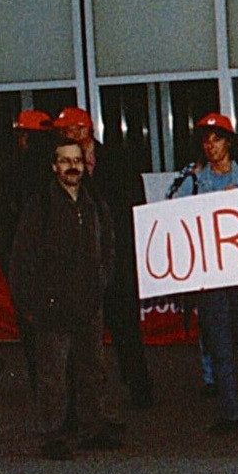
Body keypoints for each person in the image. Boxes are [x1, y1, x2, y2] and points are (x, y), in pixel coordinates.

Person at [7, 136, 125, 459]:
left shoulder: (95, 203)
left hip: (89, 304)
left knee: (92, 370)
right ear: (53, 166)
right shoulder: (40, 206)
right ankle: (52, 436)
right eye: (65, 160)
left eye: (76, 160)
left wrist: (101, 283)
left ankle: (92, 428)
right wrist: (32, 305)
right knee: (53, 376)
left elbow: (109, 248)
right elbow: (21, 260)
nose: (72, 166)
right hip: (52, 307)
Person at [171, 114, 238, 434]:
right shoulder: (192, 181)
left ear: (229, 142)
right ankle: (229, 413)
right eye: (206, 139)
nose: (211, 145)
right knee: (218, 344)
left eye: (217, 139)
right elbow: (174, 218)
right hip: (210, 277)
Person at [53, 105, 153, 409]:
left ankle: (140, 389)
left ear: (87, 131)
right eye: (64, 133)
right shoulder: (61, 167)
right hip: (81, 267)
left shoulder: (118, 161)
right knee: (84, 336)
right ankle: (89, 398)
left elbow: (137, 209)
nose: (69, 136)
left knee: (126, 330)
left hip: (118, 261)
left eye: (73, 131)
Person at [0, 109, 57, 395]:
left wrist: (12, 268)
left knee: (35, 335)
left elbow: (0, 229)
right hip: (50, 268)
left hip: (26, 268)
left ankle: (44, 391)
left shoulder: (7, 175)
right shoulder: (57, 172)